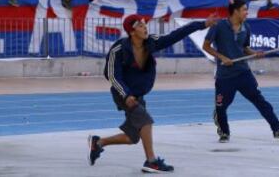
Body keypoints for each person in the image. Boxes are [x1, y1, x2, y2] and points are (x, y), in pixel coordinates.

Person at [88, 14, 216, 173]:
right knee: (145, 120)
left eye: (144, 24)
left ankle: (98, 143)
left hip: (138, 95)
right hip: (122, 94)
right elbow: (112, 75)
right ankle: (151, 161)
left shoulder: (151, 42)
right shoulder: (119, 49)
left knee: (132, 137)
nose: (145, 27)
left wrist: (202, 23)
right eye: (140, 26)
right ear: (132, 31)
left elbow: (175, 35)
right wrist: (126, 95)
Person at [203, 0, 279, 143]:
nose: (246, 12)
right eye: (244, 10)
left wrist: (255, 53)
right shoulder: (219, 26)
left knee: (260, 101)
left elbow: (244, 48)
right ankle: (224, 132)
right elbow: (206, 46)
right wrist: (222, 57)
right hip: (225, 76)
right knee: (221, 107)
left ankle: (277, 129)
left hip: (243, 73)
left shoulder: (246, 28)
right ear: (235, 11)